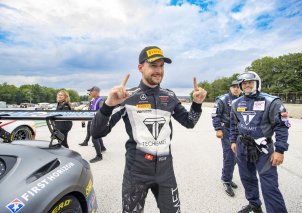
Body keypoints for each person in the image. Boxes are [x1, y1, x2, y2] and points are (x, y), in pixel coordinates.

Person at [91, 46, 207, 212]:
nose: (158, 70)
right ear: (141, 67)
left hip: (165, 170)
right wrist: (108, 105)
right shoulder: (127, 97)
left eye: (161, 66)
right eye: (153, 65)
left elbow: (190, 122)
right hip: (136, 171)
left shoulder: (170, 96)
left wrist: (197, 104)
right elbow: (96, 132)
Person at [230, 71, 290, 213]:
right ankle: (254, 204)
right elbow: (233, 123)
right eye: (244, 83)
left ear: (257, 83)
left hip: (263, 148)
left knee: (269, 184)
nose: (247, 85)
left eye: (250, 82)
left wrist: (280, 150)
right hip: (242, 146)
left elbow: (282, 126)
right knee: (247, 178)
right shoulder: (236, 103)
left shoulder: (272, 102)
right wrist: (233, 140)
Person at [212, 80, 241, 197]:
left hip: (239, 131)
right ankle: (226, 181)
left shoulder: (242, 100)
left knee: (237, 156)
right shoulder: (223, 99)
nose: (236, 89)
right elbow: (215, 114)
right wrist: (218, 128)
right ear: (230, 88)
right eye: (234, 87)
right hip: (226, 130)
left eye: (238, 87)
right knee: (230, 155)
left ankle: (227, 176)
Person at [79, 86, 106, 163]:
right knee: (97, 136)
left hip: (97, 121)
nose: (90, 93)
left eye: (91, 91)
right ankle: (103, 147)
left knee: (94, 137)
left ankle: (99, 156)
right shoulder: (94, 100)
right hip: (93, 120)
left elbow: (102, 112)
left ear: (96, 92)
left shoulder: (100, 100)